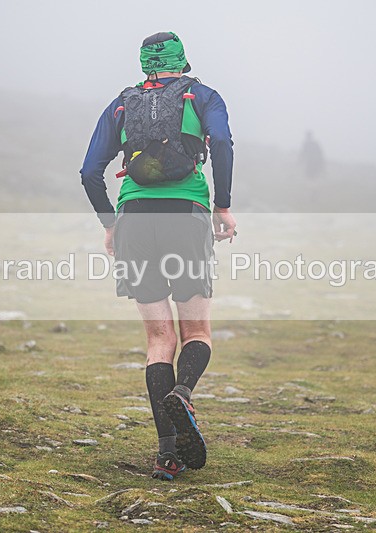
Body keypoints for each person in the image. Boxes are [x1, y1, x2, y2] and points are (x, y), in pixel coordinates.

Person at [79, 31, 236, 481]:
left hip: (134, 217)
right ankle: (183, 392)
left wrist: (111, 225)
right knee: (197, 331)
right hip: (186, 213)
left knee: (158, 340)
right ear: (182, 60)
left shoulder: (122, 104)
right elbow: (221, 144)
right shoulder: (203, 96)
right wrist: (222, 206)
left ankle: (168, 454)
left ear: (144, 63)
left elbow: (90, 172)